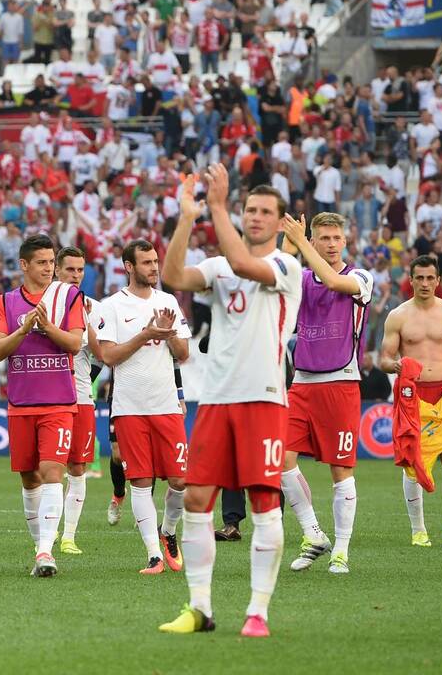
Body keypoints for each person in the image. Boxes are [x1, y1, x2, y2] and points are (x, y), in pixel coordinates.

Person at [159, 168, 302, 637]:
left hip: (263, 398)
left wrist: (216, 207)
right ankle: (200, 608)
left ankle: (257, 612)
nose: (256, 217)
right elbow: (173, 274)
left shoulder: (287, 267)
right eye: (249, 210)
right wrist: (186, 219)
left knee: (264, 502)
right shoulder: (218, 267)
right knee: (197, 497)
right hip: (217, 399)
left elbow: (245, 266)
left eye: (265, 212)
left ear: (280, 222)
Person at [278, 212, 373, 575]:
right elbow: (280, 272)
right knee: (281, 461)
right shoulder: (300, 279)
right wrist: (290, 243)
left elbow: (334, 281)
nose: (332, 244)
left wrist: (300, 242)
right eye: (324, 238)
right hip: (301, 383)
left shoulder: (360, 277)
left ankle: (342, 550)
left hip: (341, 382)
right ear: (314, 241)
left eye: (337, 238)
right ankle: (313, 534)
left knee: (340, 470)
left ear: (345, 241)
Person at [0, 234, 85, 577]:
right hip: (21, 403)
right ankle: (39, 546)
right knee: (29, 478)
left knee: (52, 472)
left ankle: (46, 551)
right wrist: (25, 329)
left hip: (59, 402)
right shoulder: (6, 301)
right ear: (24, 265)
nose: (49, 269)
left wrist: (47, 327)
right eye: (42, 263)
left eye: (51, 262)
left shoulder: (68, 296)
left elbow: (74, 343)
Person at [97, 240, 191, 574]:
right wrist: (145, 334)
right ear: (128, 266)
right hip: (130, 407)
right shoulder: (111, 307)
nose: (153, 267)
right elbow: (107, 356)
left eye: (155, 261)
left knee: (181, 480)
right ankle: (153, 555)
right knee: (140, 480)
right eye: (146, 262)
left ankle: (168, 533)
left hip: (166, 405)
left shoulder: (168, 302)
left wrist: (167, 335)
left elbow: (183, 354)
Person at [380, 254, 442, 548]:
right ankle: (418, 530)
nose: (424, 283)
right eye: (419, 278)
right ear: (410, 280)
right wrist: (396, 366)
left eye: (429, 278)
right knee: (412, 463)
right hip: (413, 397)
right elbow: (384, 358)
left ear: (438, 280)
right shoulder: (397, 315)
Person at [53, 246, 103, 555]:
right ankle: (45, 533)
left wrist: (86, 322)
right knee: (47, 470)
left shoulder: (93, 308)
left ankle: (68, 536)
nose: (75, 275)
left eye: (80, 270)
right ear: (56, 270)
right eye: (70, 269)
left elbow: (101, 356)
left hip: (81, 398)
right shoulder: (44, 303)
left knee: (78, 467)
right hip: (47, 398)